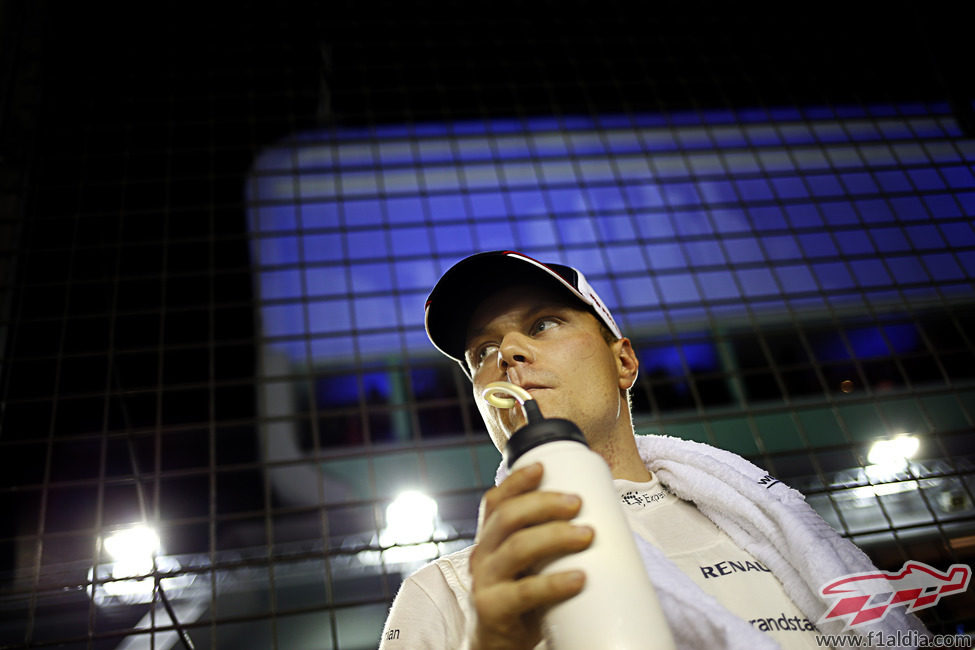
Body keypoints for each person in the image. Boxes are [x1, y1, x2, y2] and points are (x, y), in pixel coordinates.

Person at [379, 251, 928, 649]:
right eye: (482, 351)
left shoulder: (776, 528)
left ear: (624, 362)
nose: (508, 354)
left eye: (543, 324)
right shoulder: (446, 593)